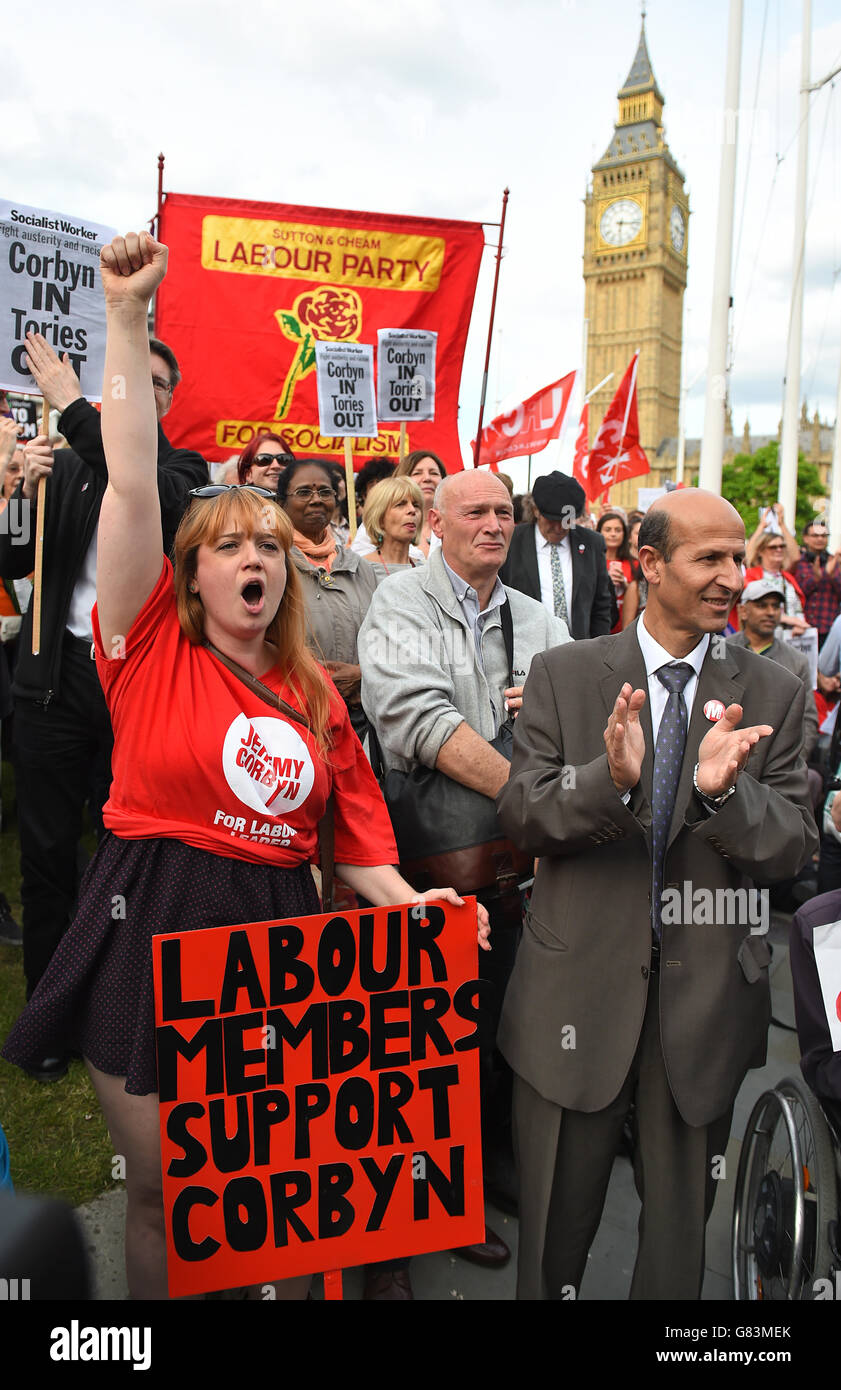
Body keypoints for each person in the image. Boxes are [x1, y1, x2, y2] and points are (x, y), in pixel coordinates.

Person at [1, 230, 489, 1302]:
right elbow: (130, 480)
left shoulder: (316, 696)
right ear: (189, 570)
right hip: (153, 923)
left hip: (276, 939)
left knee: (261, 1186)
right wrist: (125, 316)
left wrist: (416, 908)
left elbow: (357, 839)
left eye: (267, 542)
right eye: (227, 543)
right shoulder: (144, 648)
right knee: (162, 1190)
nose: (254, 555)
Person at [496, 488, 818, 1300]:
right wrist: (611, 779)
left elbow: (792, 847)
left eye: (738, 559)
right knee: (550, 1251)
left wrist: (721, 796)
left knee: (677, 1260)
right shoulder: (564, 675)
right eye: (709, 558)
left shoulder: (773, 692)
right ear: (648, 564)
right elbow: (523, 817)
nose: (732, 579)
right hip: (573, 1004)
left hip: (704, 1012)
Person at [359, 468, 570, 1294]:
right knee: (424, 1039)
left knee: (504, 1021)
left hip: (516, 871)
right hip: (428, 870)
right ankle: (421, 1202)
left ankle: (483, 1172)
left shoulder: (541, 620)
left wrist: (543, 727)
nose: (493, 525)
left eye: (503, 514)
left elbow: (572, 736)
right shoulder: (401, 601)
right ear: (433, 523)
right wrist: (527, 784)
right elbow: (416, 720)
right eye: (474, 511)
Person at [0, 335, 207, 1076]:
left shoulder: (183, 470)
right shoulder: (66, 470)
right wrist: (15, 497)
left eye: (153, 382)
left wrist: (73, 408)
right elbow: (10, 562)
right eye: (127, 379)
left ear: (169, 398)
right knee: (50, 853)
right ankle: (48, 1018)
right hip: (56, 682)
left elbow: (154, 491)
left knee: (134, 855)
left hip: (139, 688)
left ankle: (123, 1008)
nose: (138, 391)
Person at [277, 458, 377, 743]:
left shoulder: (361, 568)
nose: (316, 500)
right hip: (296, 719)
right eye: (304, 492)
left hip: (361, 721)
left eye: (325, 492)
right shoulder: (273, 564)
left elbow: (385, 639)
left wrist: (362, 674)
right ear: (283, 502)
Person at [500, 470, 614, 638]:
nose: (560, 528)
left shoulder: (592, 543)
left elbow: (601, 606)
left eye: (567, 520)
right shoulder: (512, 542)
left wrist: (599, 650)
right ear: (535, 510)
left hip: (578, 651)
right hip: (526, 649)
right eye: (552, 520)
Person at [727, 580, 817, 763]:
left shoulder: (797, 661)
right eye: (761, 606)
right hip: (726, 755)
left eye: (775, 606)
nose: (770, 612)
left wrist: (792, 763)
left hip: (777, 760)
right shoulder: (722, 651)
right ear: (743, 611)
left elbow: (807, 720)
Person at [362, 476, 424, 580]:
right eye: (400, 504)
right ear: (379, 517)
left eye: (416, 505)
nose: (412, 510)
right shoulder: (361, 570)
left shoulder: (425, 570)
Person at [793, 520, 841, 648]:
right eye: (815, 535)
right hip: (803, 628)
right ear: (806, 538)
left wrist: (832, 577)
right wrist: (815, 579)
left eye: (824, 536)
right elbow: (797, 594)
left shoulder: (836, 562)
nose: (820, 539)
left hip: (829, 628)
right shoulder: (797, 562)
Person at [597, 510, 633, 632]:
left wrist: (626, 585)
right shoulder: (593, 563)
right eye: (608, 530)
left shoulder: (635, 563)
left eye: (618, 530)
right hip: (602, 629)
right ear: (598, 532)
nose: (613, 534)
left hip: (627, 628)